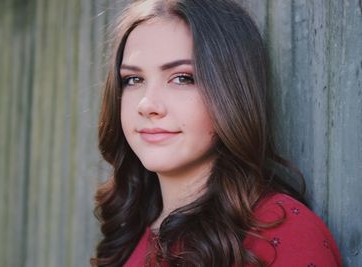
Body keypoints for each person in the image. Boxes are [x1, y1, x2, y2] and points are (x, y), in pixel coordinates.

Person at [92, 0, 342, 266]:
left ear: (229, 91)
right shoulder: (129, 235)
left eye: (182, 78)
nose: (147, 104)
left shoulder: (281, 232)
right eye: (133, 80)